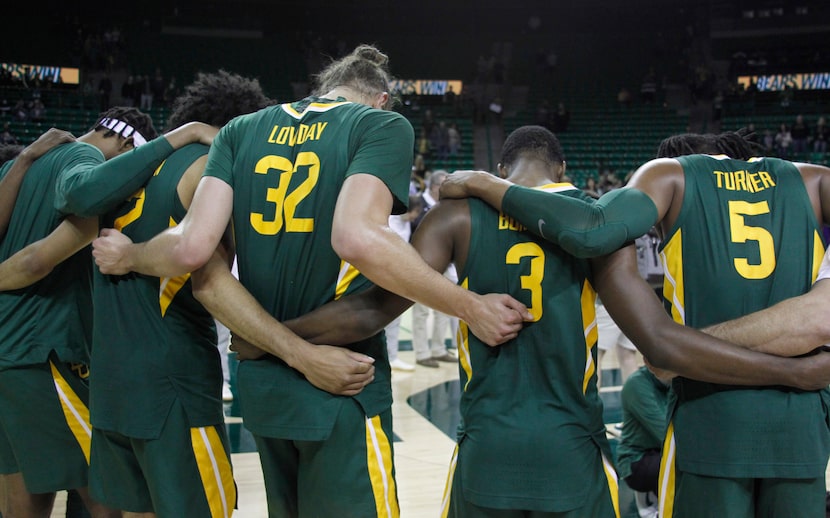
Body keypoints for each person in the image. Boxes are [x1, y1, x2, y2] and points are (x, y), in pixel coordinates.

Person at [228, 126, 830, 517]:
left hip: (488, 448)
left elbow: (367, 310)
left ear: (503, 164)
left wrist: (274, 338)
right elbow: (659, 342)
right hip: (573, 449)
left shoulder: (454, 217)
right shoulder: (594, 221)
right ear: (562, 166)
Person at [91, 44, 527, 517]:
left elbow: (197, 261)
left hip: (262, 388)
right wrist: (470, 306)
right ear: (381, 98)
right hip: (341, 384)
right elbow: (357, 238)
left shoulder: (240, 130)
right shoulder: (380, 124)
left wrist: (131, 255)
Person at [438, 129, 830, 517]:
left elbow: (593, 231)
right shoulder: (814, 179)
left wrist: (483, 182)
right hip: (803, 432)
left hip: (708, 424)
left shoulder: (670, 174)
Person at [0, 108, 216, 518]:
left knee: (20, 498)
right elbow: (34, 262)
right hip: (43, 352)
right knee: (107, 491)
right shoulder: (90, 164)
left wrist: (26, 158)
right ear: (123, 143)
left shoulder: (18, 165)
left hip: (7, 355)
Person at [410, 170, 459, 368]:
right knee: (421, 312)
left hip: (444, 264)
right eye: (445, 186)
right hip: (419, 265)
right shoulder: (417, 203)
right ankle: (422, 353)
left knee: (444, 310)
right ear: (435, 186)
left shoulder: (446, 206)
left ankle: (438, 349)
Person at [617, 364, 672, 518]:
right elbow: (664, 432)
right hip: (637, 459)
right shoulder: (637, 385)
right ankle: (653, 505)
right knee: (680, 465)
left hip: (662, 451)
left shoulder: (676, 381)